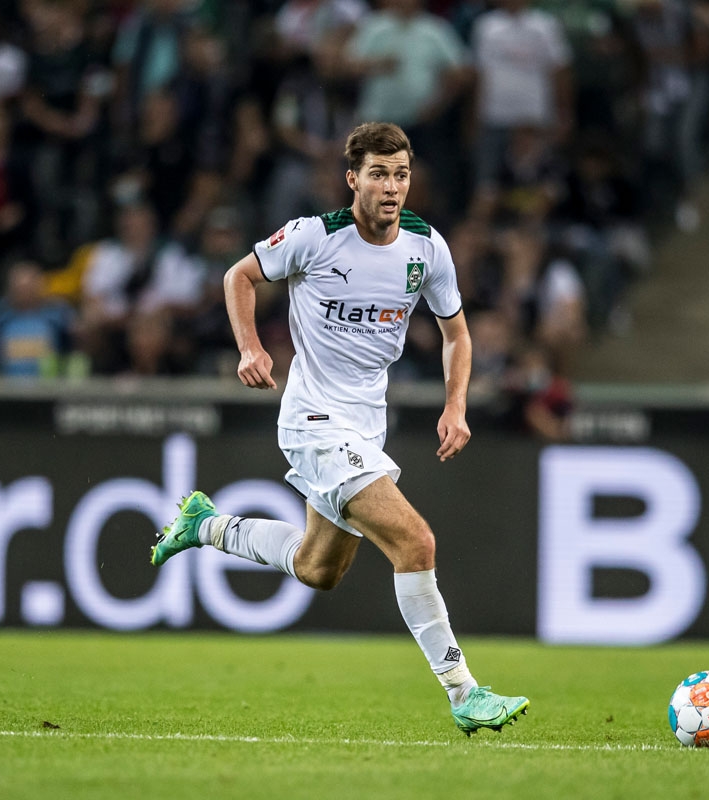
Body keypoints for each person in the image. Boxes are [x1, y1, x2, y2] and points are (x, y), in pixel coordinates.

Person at [149, 122, 529, 735]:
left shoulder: (426, 248)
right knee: (416, 542)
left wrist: (455, 405)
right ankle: (464, 692)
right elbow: (238, 276)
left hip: (365, 426)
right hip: (313, 421)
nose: (391, 187)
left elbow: (457, 335)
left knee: (317, 568)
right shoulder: (313, 236)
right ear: (352, 179)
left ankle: (206, 525)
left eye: (401, 175)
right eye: (379, 174)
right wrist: (250, 347)